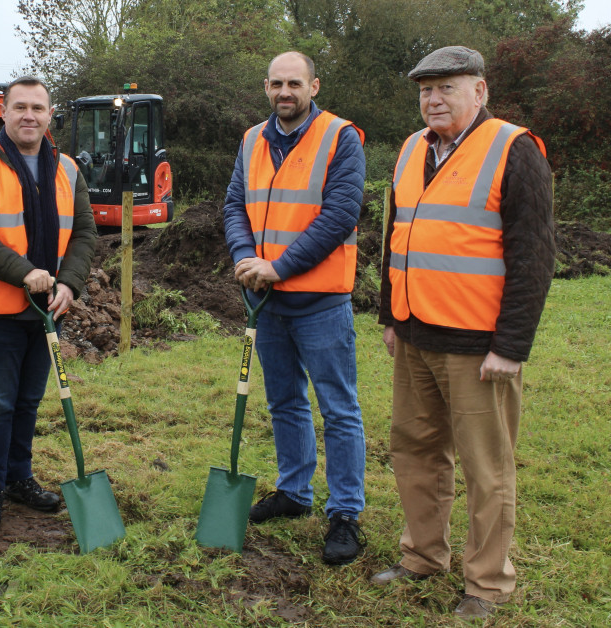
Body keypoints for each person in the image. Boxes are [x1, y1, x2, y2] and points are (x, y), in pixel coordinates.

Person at [373, 46, 554, 620]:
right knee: (415, 451)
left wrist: (511, 346)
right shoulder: (411, 149)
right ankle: (422, 555)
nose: (433, 99)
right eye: (426, 89)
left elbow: (533, 257)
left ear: (480, 92)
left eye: (447, 87)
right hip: (415, 333)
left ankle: (488, 584)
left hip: (479, 347)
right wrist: (390, 317)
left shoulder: (513, 148)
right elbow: (396, 238)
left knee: (486, 467)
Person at [222, 51, 368, 565]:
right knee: (284, 402)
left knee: (339, 409)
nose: (286, 92)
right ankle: (294, 492)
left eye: (295, 83)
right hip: (265, 301)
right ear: (266, 87)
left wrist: (279, 267)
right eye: (277, 84)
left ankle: (345, 512)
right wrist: (245, 258)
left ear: (314, 86)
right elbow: (235, 205)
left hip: (321, 300)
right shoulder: (250, 140)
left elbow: (339, 215)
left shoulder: (340, 137)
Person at [0, 76, 97, 532]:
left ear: (50, 115)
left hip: (49, 309)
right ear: (4, 113)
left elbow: (86, 233)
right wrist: (23, 273)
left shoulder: (68, 169)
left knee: (29, 400)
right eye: (20, 107)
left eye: (37, 108)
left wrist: (69, 284)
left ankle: (19, 477)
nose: (28, 115)